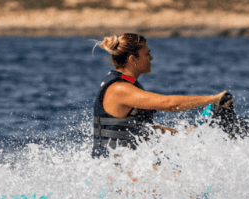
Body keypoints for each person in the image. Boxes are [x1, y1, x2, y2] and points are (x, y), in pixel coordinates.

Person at [92, 33, 230, 157]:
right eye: (147, 54)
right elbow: (169, 103)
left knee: (217, 116)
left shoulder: (131, 86)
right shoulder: (119, 89)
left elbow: (145, 128)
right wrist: (213, 98)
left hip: (129, 165)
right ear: (133, 59)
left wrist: (186, 135)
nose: (151, 58)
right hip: (113, 170)